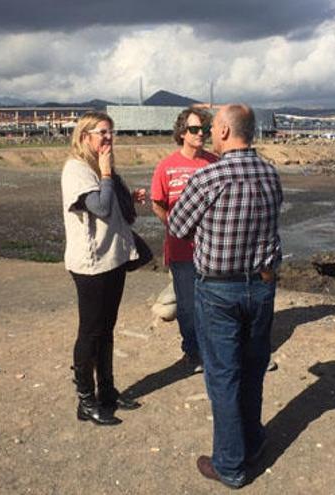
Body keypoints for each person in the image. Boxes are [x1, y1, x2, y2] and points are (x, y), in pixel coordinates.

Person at [169, 104, 283, 488]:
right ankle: (251, 443)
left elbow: (178, 225)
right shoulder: (270, 173)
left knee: (223, 376)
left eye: (213, 127)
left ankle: (231, 464)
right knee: (252, 369)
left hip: (219, 288)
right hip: (262, 286)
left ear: (222, 131)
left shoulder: (208, 177)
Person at [61, 111, 146, 426]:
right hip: (92, 264)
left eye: (111, 133)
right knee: (90, 332)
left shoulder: (99, 166)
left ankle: (107, 391)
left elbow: (114, 208)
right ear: (85, 137)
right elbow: (99, 207)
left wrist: (129, 196)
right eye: (102, 133)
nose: (109, 139)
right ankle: (85, 400)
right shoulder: (76, 169)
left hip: (114, 259)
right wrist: (107, 174)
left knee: (106, 329)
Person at [151, 106, 218, 374]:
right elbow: (158, 203)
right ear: (182, 133)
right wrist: (174, 226)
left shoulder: (214, 162)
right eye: (194, 129)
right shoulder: (166, 166)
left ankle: (212, 350)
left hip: (212, 250)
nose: (200, 133)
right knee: (188, 306)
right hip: (181, 251)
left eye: (204, 129)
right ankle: (192, 351)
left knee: (213, 303)